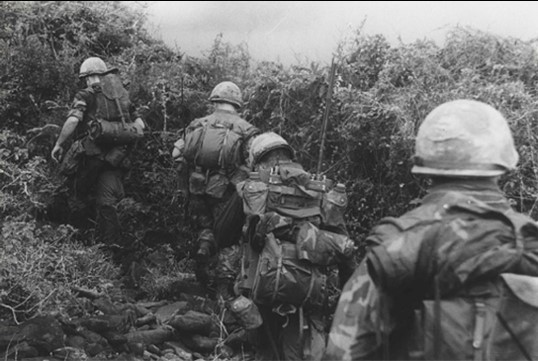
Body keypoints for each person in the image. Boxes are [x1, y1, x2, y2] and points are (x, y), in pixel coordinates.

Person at [324, 99, 538, 360]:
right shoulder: (529, 243)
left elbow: (340, 352)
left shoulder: (398, 252)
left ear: (424, 165)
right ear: (505, 164)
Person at [221, 131, 356, 360]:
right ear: (289, 154)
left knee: (264, 346)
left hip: (262, 285)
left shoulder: (254, 187)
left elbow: (224, 234)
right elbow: (344, 247)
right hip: (309, 289)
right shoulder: (319, 188)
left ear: (256, 159)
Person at [172, 81, 260, 290]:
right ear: (238, 104)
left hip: (197, 186)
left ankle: (201, 274)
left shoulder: (198, 124)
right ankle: (223, 289)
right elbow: (255, 163)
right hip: (227, 191)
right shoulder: (246, 130)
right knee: (229, 238)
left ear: (214, 101)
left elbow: (176, 154)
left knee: (204, 227)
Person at [50, 57, 145, 246]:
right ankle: (111, 249)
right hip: (115, 159)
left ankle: (72, 242)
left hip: (90, 157)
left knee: (72, 194)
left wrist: (59, 144)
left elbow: (74, 120)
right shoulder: (121, 95)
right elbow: (141, 125)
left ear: (87, 77)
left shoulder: (86, 94)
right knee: (107, 203)